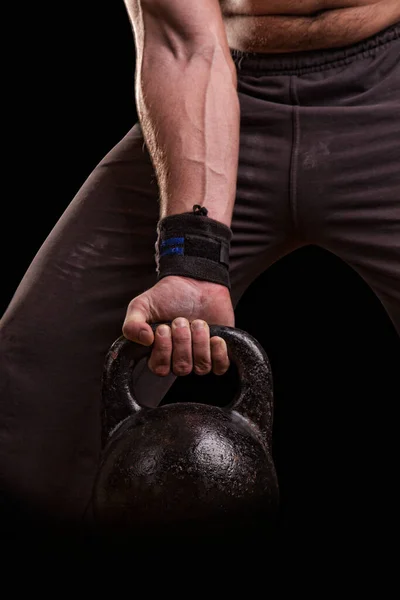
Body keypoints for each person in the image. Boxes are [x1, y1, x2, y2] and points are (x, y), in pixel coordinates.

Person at [0, 0, 399, 528]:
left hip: (390, 90)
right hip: (218, 96)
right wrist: (193, 257)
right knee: (34, 388)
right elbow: (182, 44)